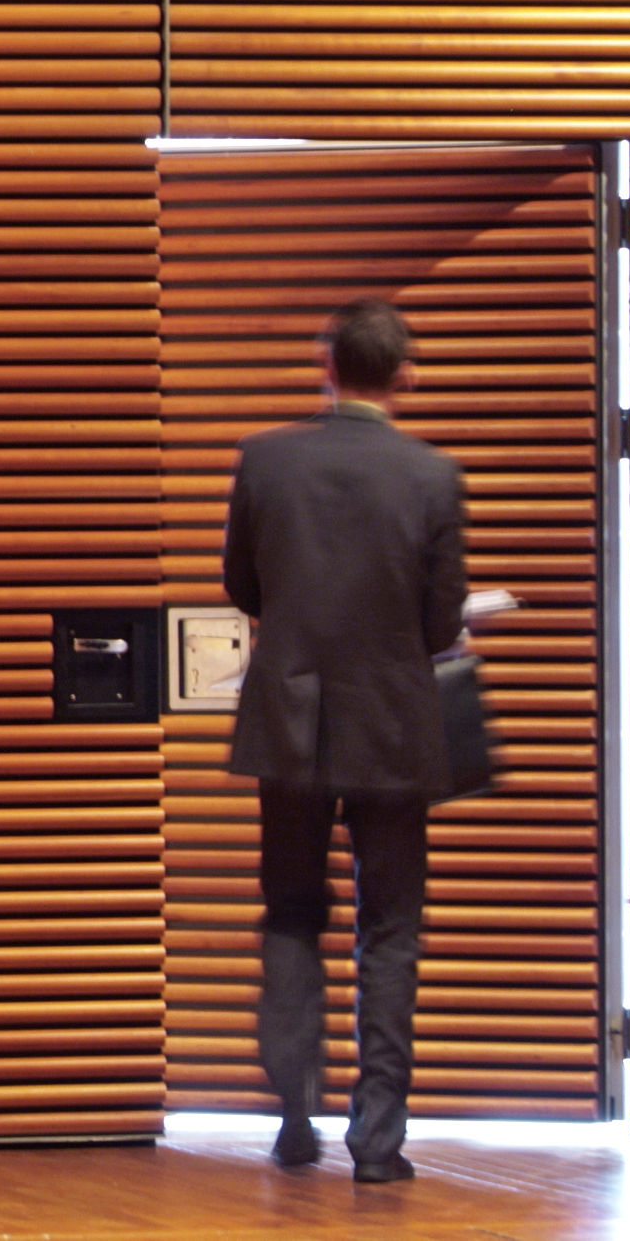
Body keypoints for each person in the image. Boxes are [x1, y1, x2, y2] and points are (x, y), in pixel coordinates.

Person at [220, 299, 468, 1183]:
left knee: (291, 915)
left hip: (288, 722)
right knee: (389, 931)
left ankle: (293, 1117)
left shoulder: (265, 459)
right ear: (403, 373)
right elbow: (442, 620)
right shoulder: (432, 475)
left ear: (325, 362)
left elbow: (241, 581)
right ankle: (377, 1142)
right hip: (395, 727)